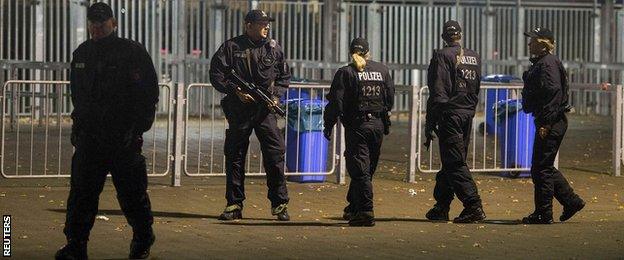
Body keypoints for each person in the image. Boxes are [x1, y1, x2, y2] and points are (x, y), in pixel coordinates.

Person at [55, 2, 159, 260]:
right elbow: (78, 95)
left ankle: (143, 237)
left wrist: (137, 128)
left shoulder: (131, 52)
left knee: (132, 194)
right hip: (90, 138)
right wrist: (78, 126)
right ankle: (76, 245)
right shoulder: (82, 53)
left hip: (122, 138)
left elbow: (148, 94)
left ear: (114, 23)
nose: (97, 27)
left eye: (102, 23)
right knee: (81, 195)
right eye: (93, 23)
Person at [209, 10, 291, 221]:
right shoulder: (231, 47)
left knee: (275, 155)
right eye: (261, 23)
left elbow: (284, 76)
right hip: (239, 110)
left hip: (264, 111)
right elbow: (216, 74)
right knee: (235, 156)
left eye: (267, 23)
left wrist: (275, 97)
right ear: (248, 26)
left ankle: (279, 204)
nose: (266, 27)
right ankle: (234, 204)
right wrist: (235, 91)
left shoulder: (273, 49)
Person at [323, 38, 395, 227]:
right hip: (378, 125)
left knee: (360, 169)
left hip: (358, 127)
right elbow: (389, 99)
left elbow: (335, 103)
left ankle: (365, 211)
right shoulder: (382, 70)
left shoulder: (345, 73)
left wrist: (328, 125)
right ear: (368, 52)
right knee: (366, 169)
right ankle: (354, 207)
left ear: (350, 52)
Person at [423, 20, 486, 223]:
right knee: (450, 161)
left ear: (444, 37)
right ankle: (442, 206)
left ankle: (473, 205)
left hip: (450, 114)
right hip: (467, 114)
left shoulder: (442, 56)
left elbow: (438, 92)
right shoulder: (474, 57)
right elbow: (475, 87)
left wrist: (431, 121)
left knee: (455, 162)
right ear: (460, 35)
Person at [521, 27, 585, 224]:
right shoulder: (545, 62)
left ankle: (544, 213)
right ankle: (570, 201)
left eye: (532, 40)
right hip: (551, 120)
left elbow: (553, 92)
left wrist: (546, 123)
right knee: (542, 166)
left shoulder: (547, 64)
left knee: (541, 169)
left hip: (551, 121)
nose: (529, 43)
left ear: (542, 43)